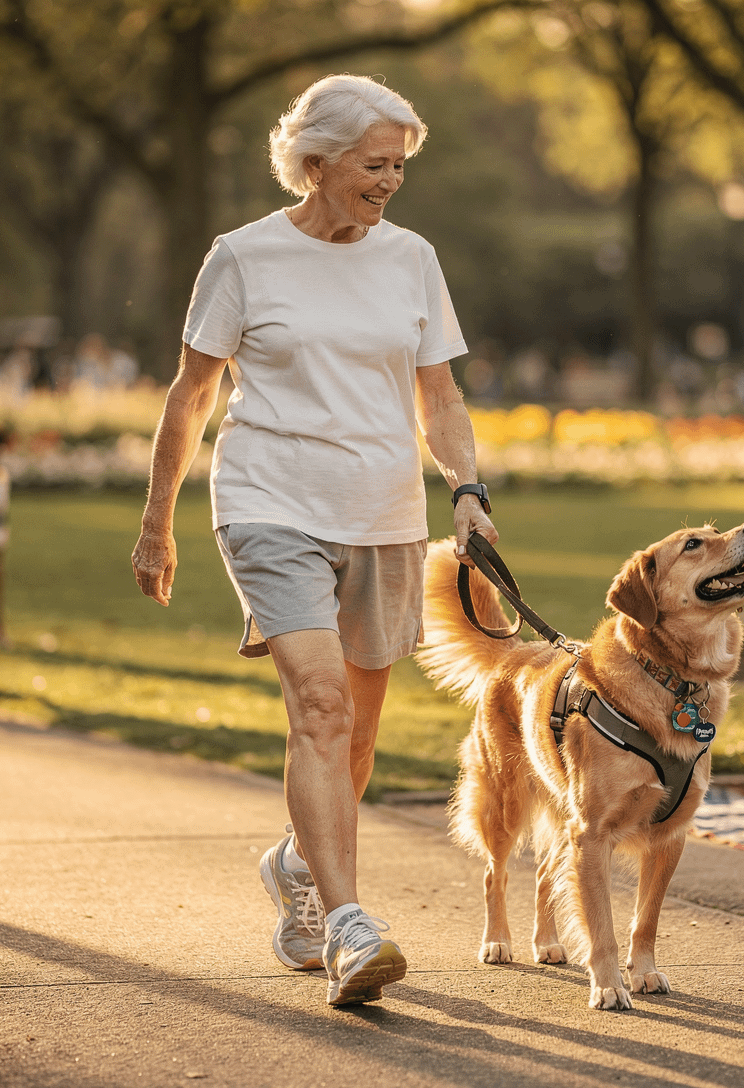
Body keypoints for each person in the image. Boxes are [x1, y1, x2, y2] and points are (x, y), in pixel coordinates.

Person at [131, 74, 495, 1008]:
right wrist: (156, 523)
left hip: (383, 515)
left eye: (399, 166)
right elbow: (192, 393)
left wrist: (467, 488)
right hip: (268, 502)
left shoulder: (412, 258)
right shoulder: (243, 257)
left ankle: (296, 865)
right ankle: (346, 924)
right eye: (375, 165)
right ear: (316, 162)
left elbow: (440, 398)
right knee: (322, 708)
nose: (389, 182)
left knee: (357, 737)